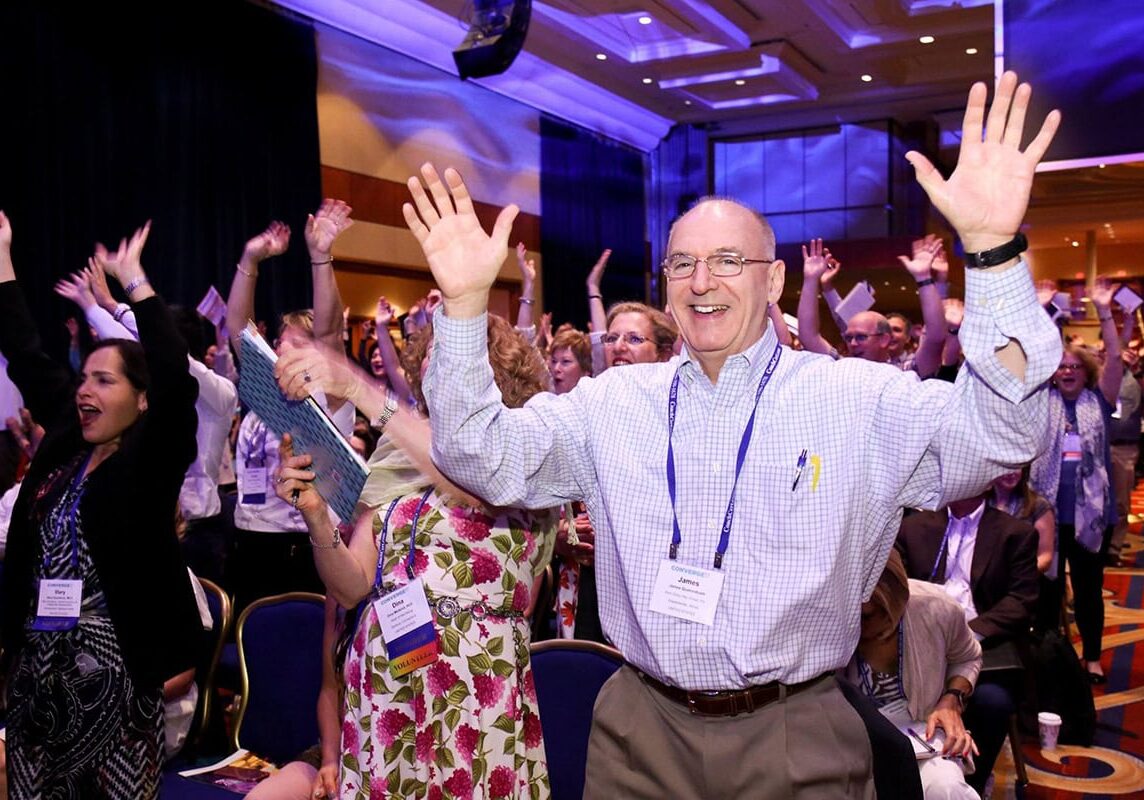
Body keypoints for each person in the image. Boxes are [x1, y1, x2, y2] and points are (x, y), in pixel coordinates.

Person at [403, 71, 1061, 798]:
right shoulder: (612, 403)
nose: (700, 278)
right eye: (681, 262)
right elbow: (477, 453)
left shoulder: (855, 398)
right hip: (638, 731)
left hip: (795, 733)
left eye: (726, 260)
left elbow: (998, 434)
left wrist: (995, 254)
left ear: (774, 280)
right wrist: (464, 309)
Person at [274, 315, 556, 800]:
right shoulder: (395, 447)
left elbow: (474, 480)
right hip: (389, 681)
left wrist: (361, 390)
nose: (429, 363)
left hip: (475, 683)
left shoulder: (525, 440)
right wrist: (317, 516)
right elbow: (353, 585)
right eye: (427, 354)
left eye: (446, 354)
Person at [0, 214, 200, 798]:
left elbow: (176, 383)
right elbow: (29, 355)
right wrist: (4, 261)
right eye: (84, 377)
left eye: (104, 381)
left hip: (115, 693)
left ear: (141, 401)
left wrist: (137, 285)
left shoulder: (150, 463)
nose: (85, 389)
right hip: (38, 687)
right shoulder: (63, 450)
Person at [1031, 280, 1123, 683]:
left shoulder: (1099, 401)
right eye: (1061, 367)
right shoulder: (1040, 399)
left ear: (1087, 373)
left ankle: (1092, 656)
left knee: (1088, 590)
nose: (1067, 372)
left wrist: (1104, 311)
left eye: (1074, 367)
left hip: (1090, 516)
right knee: (1047, 591)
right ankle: (1052, 656)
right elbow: (1034, 357)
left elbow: (1117, 357)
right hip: (1045, 513)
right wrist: (1043, 312)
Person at [841, 551, 981, 800]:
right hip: (854, 737)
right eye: (863, 616)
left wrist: (951, 699)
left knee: (946, 788)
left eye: (885, 612)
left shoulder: (937, 608)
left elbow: (968, 657)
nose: (871, 625)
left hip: (922, 730)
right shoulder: (825, 624)